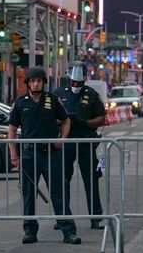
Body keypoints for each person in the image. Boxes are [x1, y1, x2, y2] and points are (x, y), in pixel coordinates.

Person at [8, 67, 82, 245]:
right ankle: (30, 232)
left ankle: (68, 231)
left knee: (59, 193)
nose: (36, 84)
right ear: (27, 83)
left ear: (43, 83)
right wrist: (14, 155)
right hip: (28, 155)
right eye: (32, 81)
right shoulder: (19, 103)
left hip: (51, 154)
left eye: (39, 81)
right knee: (28, 194)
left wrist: (62, 139)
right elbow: (11, 129)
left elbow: (66, 120)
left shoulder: (53, 100)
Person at [53, 62, 106, 230]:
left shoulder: (91, 94)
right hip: (66, 143)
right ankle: (62, 218)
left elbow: (101, 118)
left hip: (86, 141)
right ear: (68, 79)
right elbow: (49, 116)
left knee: (91, 180)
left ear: (84, 80)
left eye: (79, 83)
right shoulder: (58, 94)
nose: (76, 85)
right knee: (62, 180)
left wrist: (85, 122)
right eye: (73, 82)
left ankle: (96, 218)